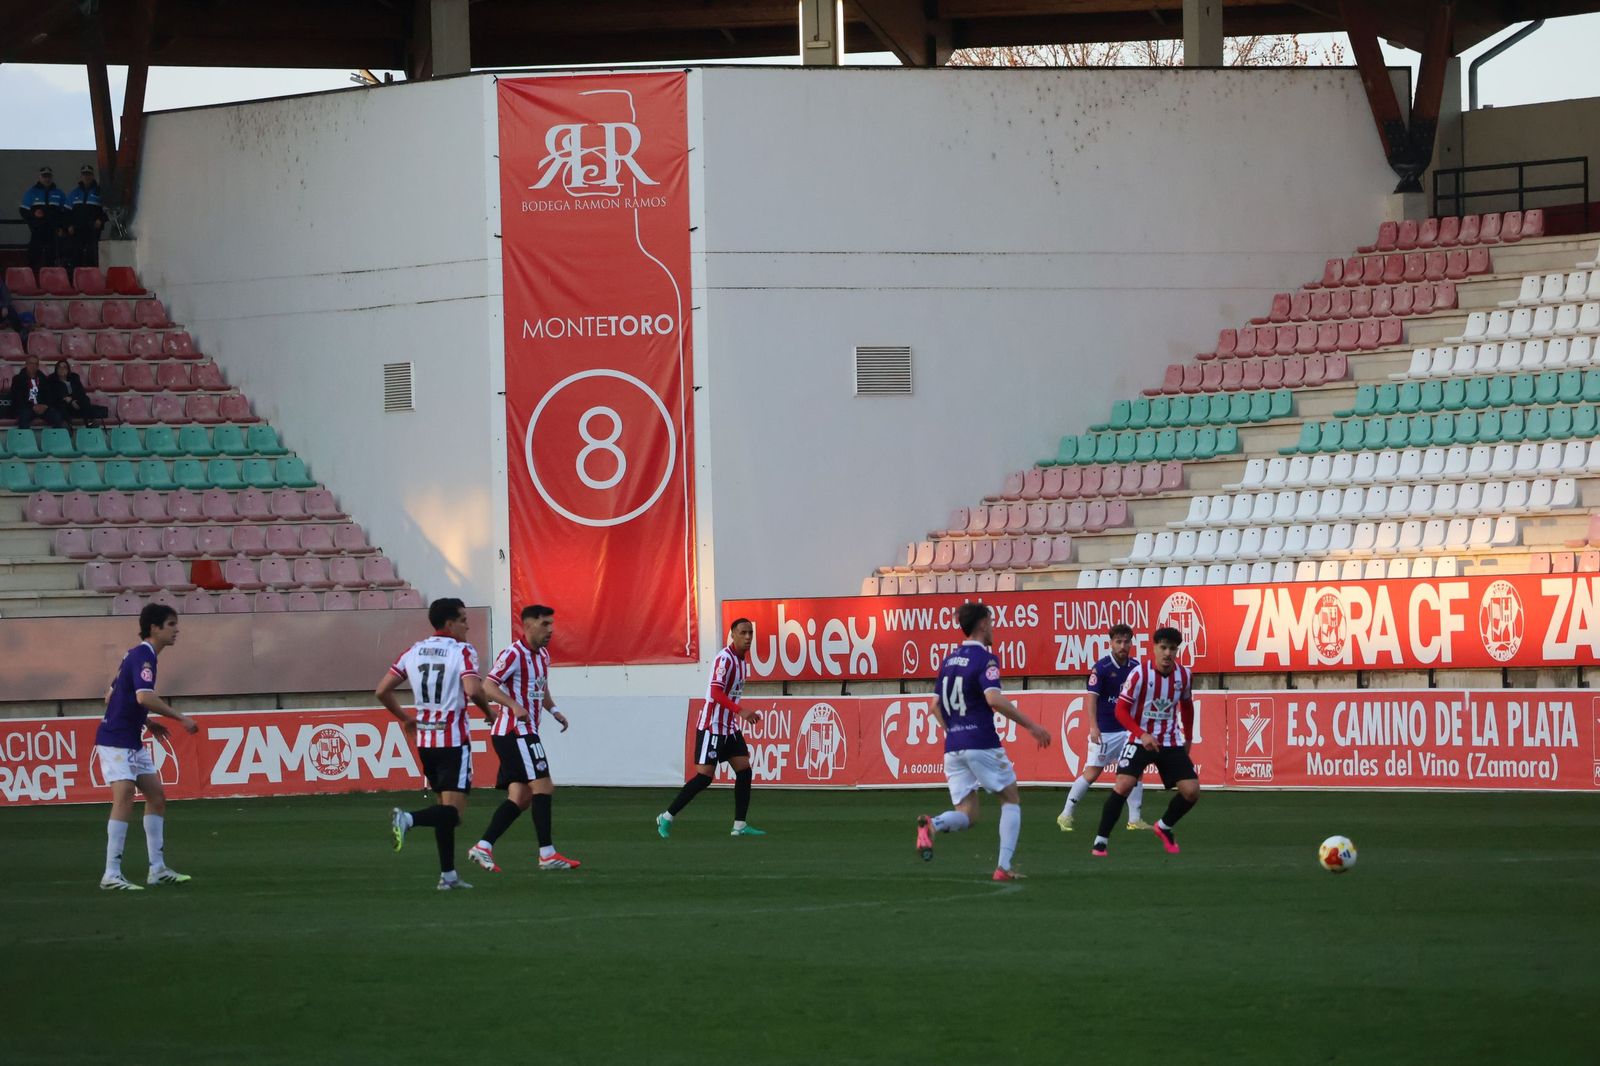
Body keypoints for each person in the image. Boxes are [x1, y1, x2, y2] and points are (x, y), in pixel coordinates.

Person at [914, 602, 1052, 881]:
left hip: (954, 746)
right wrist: (1031, 725)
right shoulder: (985, 659)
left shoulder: (948, 661)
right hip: (981, 741)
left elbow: (934, 706)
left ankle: (933, 824)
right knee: (1010, 797)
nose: (993, 627)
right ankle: (1003, 867)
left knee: (968, 813)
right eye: (991, 621)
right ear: (982, 624)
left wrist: (954, 731)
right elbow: (993, 699)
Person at [376, 597, 496, 890]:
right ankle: (408, 819)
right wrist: (489, 712)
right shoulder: (462, 651)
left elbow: (382, 690)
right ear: (449, 624)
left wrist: (405, 718)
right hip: (453, 741)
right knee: (453, 814)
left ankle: (448, 876)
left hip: (426, 742)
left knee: (444, 809)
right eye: (463, 620)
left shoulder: (413, 651)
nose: (468, 626)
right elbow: (473, 689)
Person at [466, 604, 581, 873]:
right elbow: (488, 685)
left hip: (522, 733)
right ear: (527, 625)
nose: (551, 630)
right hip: (515, 732)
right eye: (545, 624)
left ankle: (483, 846)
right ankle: (547, 854)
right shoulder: (513, 654)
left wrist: (554, 711)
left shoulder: (543, 655)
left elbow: (541, 688)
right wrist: (513, 706)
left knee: (520, 796)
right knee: (544, 786)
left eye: (551, 624)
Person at [96, 603, 201, 890]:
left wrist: (147, 722)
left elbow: (113, 695)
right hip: (115, 738)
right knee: (125, 795)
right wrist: (180, 718)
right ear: (154, 628)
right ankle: (111, 874)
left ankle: (157, 869)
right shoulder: (143, 657)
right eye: (171, 624)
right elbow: (143, 697)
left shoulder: (136, 655)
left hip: (130, 738)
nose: (176, 630)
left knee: (156, 796)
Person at [1090, 626, 1201, 858]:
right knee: (1123, 784)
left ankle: (1164, 826)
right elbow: (1120, 710)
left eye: (1172, 649)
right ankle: (1101, 840)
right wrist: (1141, 734)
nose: (1168, 653)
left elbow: (1187, 707)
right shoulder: (1139, 674)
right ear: (1154, 648)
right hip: (1139, 739)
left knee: (1191, 792)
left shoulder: (1184, 675)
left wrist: (1188, 738)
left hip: (1170, 741)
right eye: (1163, 647)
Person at [656, 618, 766, 838]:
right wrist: (741, 711)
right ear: (732, 635)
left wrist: (735, 714)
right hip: (712, 726)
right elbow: (715, 693)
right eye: (743, 633)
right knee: (705, 777)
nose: (747, 637)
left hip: (729, 727)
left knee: (744, 770)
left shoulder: (742, 661)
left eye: (750, 633)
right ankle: (666, 817)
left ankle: (739, 825)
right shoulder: (724, 659)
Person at [1057, 623, 1147, 832]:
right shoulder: (1102, 668)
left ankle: (1134, 820)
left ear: (1131, 644)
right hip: (1106, 730)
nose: (1123, 646)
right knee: (1092, 773)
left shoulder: (1135, 667)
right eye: (1118, 641)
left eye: (1126, 642)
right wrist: (1093, 727)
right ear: (1111, 644)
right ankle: (1066, 814)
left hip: (1128, 730)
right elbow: (1092, 699)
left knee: (1135, 770)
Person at [18, 165, 66, 271]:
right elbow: (23, 211)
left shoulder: (59, 193)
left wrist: (62, 228)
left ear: (52, 177)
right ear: (39, 177)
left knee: (51, 257)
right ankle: (32, 278)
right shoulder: (31, 192)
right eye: (44, 176)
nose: (46, 179)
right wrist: (34, 214)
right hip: (37, 231)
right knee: (34, 256)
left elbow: (64, 213)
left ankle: (50, 278)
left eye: (48, 176)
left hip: (53, 232)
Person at [64, 164, 106, 271]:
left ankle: (92, 277)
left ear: (93, 176)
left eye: (89, 174)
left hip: (93, 230)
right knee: (76, 255)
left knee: (93, 254)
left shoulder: (100, 192)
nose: (87, 177)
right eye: (84, 174)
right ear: (81, 176)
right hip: (77, 230)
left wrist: (100, 220)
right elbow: (66, 212)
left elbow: (107, 210)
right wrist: (69, 225)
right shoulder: (74, 193)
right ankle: (76, 277)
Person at [47, 359, 107, 427]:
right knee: (61, 405)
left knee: (85, 399)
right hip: (64, 406)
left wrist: (72, 400)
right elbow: (53, 396)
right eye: (59, 367)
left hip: (76, 404)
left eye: (64, 367)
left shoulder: (74, 377)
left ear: (68, 369)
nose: (62, 369)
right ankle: (67, 425)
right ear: (56, 369)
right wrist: (68, 400)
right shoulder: (52, 380)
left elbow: (81, 392)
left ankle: (89, 422)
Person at [10, 355, 63, 429]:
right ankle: (25, 436)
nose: (33, 366)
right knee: (24, 416)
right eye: (31, 363)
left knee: (56, 416)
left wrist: (45, 406)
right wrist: (32, 406)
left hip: (42, 407)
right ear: (26, 364)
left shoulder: (43, 379)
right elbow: (18, 398)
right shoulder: (17, 379)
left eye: (36, 364)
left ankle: (55, 436)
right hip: (26, 407)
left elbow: (49, 395)